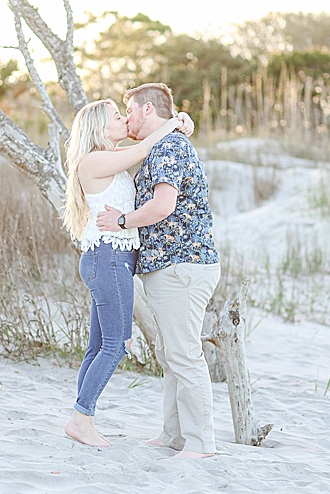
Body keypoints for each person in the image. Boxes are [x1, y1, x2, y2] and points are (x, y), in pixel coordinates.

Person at [97, 83, 221, 458]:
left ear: (149, 110)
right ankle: (174, 435)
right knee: (173, 355)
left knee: (184, 355)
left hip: (182, 266)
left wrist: (122, 221)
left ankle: (200, 444)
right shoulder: (162, 145)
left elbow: (163, 206)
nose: (128, 118)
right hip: (172, 266)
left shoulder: (169, 147)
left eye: (130, 110)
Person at [61, 98, 193, 448]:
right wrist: (175, 121)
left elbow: (142, 150)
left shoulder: (108, 163)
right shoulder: (94, 160)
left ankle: (82, 417)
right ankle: (81, 418)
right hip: (109, 258)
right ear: (99, 129)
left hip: (109, 259)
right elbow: (145, 148)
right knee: (117, 345)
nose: (124, 120)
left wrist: (179, 121)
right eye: (117, 117)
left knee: (97, 347)